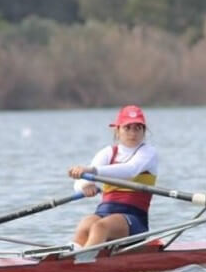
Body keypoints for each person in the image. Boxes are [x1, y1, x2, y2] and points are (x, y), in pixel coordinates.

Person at [67, 105, 158, 249]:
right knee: (86, 223)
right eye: (127, 128)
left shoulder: (148, 152)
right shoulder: (107, 152)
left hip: (134, 219)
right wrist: (85, 185)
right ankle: (69, 258)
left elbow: (130, 170)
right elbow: (80, 182)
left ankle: (83, 262)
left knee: (100, 227)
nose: (133, 133)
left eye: (137, 128)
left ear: (144, 131)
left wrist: (92, 171)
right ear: (117, 130)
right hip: (104, 212)